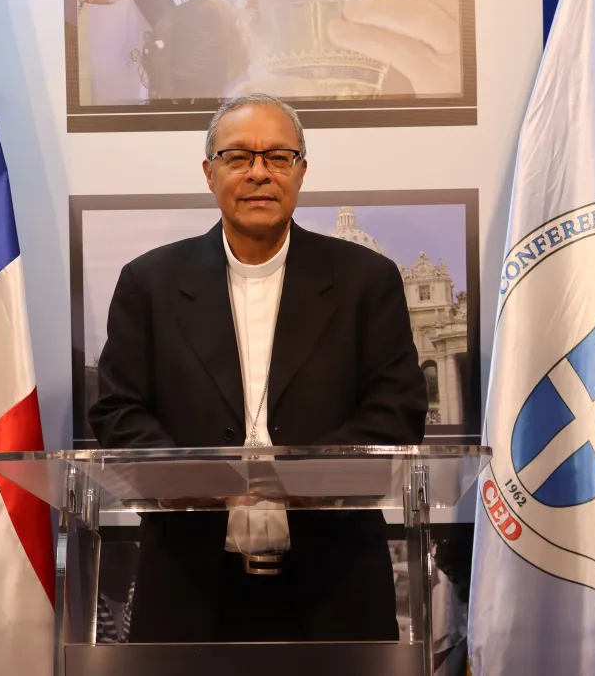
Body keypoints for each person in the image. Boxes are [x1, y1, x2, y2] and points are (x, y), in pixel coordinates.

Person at [89, 92, 428, 643]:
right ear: (209, 172)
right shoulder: (149, 283)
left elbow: (397, 411)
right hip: (187, 585)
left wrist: (295, 479)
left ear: (301, 171)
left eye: (277, 157)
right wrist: (207, 482)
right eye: (239, 157)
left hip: (336, 584)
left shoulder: (366, 280)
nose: (259, 173)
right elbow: (117, 412)